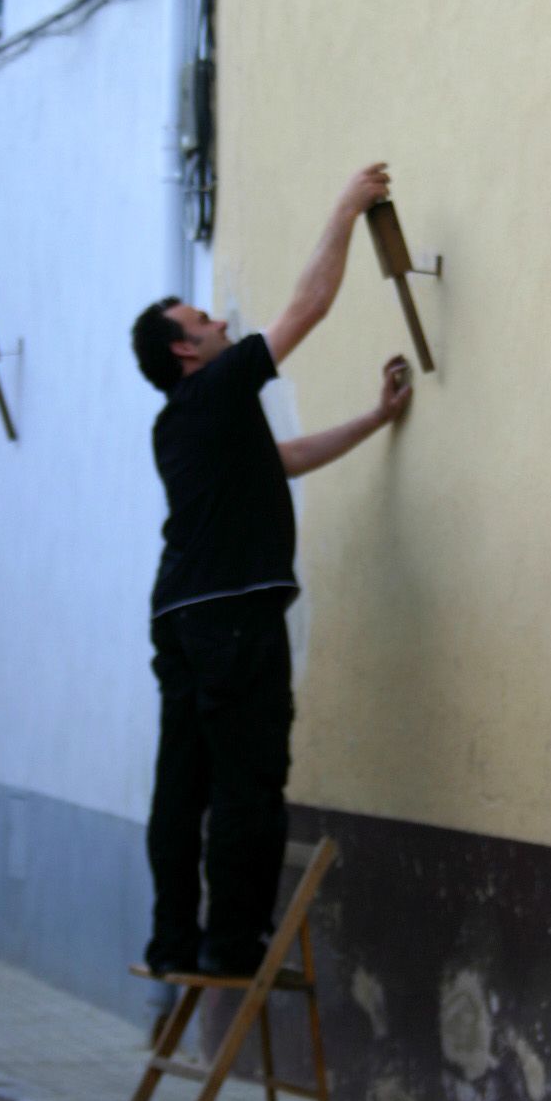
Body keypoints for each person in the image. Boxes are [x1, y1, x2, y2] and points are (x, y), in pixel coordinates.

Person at [130, 162, 412, 979]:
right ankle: (232, 947)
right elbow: (309, 307)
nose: (220, 320)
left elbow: (282, 460)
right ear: (187, 349)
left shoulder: (182, 423)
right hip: (230, 618)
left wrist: (375, 418)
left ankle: (172, 941)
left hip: (180, 616)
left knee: (182, 783)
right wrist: (347, 205)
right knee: (247, 781)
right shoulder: (218, 391)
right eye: (203, 319)